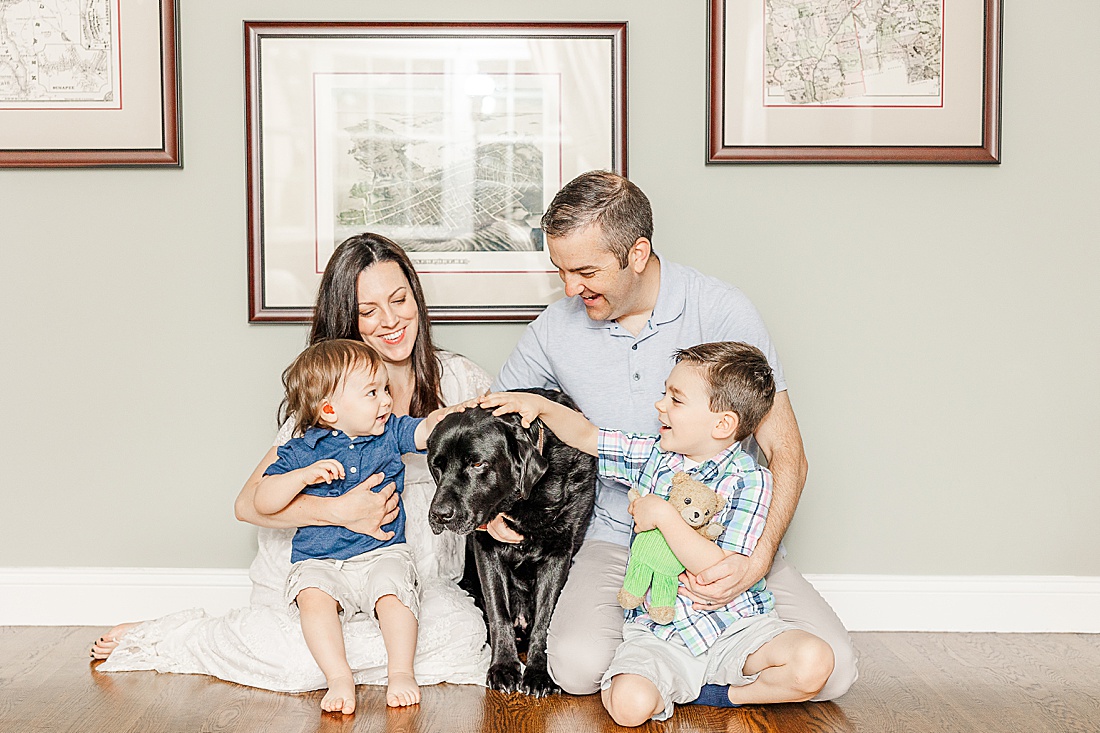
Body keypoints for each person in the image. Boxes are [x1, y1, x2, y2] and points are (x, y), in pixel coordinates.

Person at [490, 171, 858, 702]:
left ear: (636, 253)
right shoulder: (556, 326)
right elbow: (497, 418)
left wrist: (755, 560)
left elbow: (787, 454)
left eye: (586, 271)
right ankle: (681, 660)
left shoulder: (723, 310)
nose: (571, 289)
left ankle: (692, 667)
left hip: (729, 538)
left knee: (835, 671)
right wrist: (481, 507)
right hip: (618, 539)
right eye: (561, 271)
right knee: (572, 668)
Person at [91, 234, 492, 697]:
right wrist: (339, 511)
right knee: (300, 665)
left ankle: (344, 660)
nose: (390, 320)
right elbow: (248, 503)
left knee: (461, 636)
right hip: (321, 572)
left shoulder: (462, 380)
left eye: (399, 300)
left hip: (405, 574)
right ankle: (180, 635)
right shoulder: (329, 399)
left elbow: (492, 469)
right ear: (348, 319)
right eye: (368, 311)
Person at [482, 342, 834, 724]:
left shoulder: (752, 481)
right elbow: (585, 436)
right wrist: (542, 408)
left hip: (736, 628)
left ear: (723, 424)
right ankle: (681, 681)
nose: (660, 405)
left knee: (816, 662)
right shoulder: (653, 457)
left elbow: (717, 567)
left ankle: (723, 695)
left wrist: (664, 516)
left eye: (675, 400)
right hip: (660, 633)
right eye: (664, 393)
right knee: (627, 707)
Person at [256, 339, 462, 711]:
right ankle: (338, 677)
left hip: (381, 552)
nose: (386, 399)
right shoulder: (301, 450)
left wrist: (442, 420)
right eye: (372, 392)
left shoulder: (389, 434)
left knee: (394, 594)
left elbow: (424, 434)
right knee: (313, 600)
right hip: (321, 562)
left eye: (386, 389)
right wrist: (302, 477)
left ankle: (400, 672)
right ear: (330, 409)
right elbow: (262, 500)